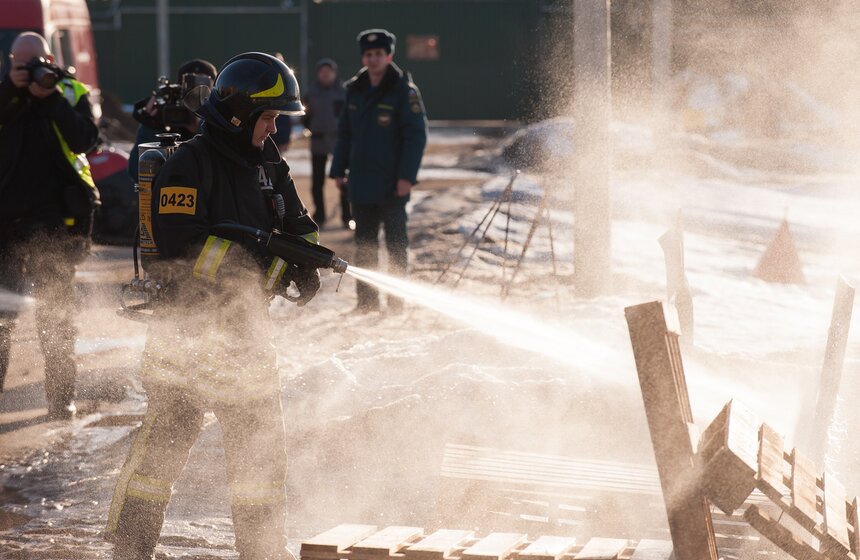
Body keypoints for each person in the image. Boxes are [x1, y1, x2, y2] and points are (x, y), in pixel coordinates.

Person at [105, 52, 320, 560]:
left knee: (260, 451)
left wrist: (306, 260)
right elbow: (181, 249)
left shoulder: (268, 161)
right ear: (241, 114)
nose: (274, 129)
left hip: (247, 336)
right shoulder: (189, 164)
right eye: (269, 117)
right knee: (162, 450)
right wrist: (265, 270)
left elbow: (299, 223)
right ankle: (131, 547)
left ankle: (262, 549)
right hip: (186, 336)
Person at [0, 32, 99, 419]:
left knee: (56, 315)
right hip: (4, 226)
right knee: (1, 319)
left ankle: (61, 400)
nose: (29, 71)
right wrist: (12, 90)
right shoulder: (4, 93)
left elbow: (86, 140)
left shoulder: (69, 93)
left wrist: (51, 97)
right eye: (19, 65)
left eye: (35, 63)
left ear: (50, 61)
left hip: (55, 223)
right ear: (10, 63)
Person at [330, 29, 428, 313]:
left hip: (392, 183)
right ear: (363, 57)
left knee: (396, 245)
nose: (373, 59)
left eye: (379, 54)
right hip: (361, 183)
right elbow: (345, 133)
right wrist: (338, 170)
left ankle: (396, 303)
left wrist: (406, 177)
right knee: (364, 245)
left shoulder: (404, 91)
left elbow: (415, 136)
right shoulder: (355, 90)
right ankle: (367, 303)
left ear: (389, 56)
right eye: (368, 54)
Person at [127, 59, 217, 181]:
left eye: (203, 90)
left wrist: (203, 127)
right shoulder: (165, 121)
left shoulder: (218, 124)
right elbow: (137, 172)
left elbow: (218, 171)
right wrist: (151, 125)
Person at [302, 58, 348, 228]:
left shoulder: (343, 92)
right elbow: (305, 115)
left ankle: (347, 216)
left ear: (335, 74)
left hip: (339, 141)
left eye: (329, 72)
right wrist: (312, 128)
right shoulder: (311, 93)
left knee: (343, 179)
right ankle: (320, 215)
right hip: (318, 141)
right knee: (317, 181)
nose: (326, 75)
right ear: (318, 74)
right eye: (323, 72)